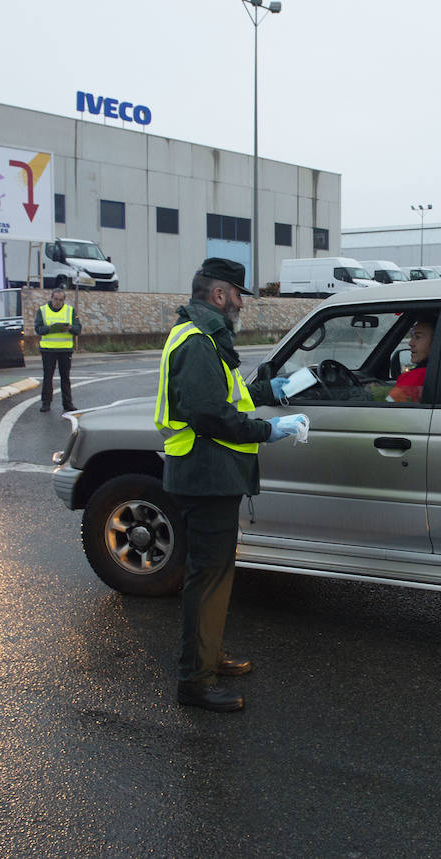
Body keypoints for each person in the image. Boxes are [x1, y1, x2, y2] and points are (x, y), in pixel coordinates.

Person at [155, 258, 297, 713]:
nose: (241, 304)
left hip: (210, 473)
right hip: (205, 474)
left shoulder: (205, 336)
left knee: (215, 574)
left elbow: (226, 395)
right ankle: (194, 681)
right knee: (207, 578)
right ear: (219, 295)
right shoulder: (198, 342)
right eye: (238, 295)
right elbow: (210, 414)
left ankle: (209, 655)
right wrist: (266, 431)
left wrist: (272, 392)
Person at [35, 288, 81, 412]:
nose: (58, 302)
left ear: (64, 300)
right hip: (48, 350)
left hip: (65, 350)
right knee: (48, 377)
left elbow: (78, 329)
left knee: (65, 377)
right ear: (51, 298)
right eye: (56, 299)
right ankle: (46, 403)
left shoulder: (70, 311)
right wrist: (49, 328)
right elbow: (38, 329)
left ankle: (67, 403)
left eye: (61, 300)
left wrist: (70, 328)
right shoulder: (42, 310)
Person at [387, 315, 435, 403]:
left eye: (418, 337)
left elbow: (389, 405)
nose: (410, 343)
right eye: (412, 337)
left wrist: (372, 391)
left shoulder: (419, 376)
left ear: (436, 341)